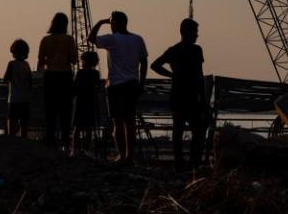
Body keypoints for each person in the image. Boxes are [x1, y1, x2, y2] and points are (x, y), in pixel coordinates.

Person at [89, 11, 148, 163]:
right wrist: (141, 82)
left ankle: (122, 155)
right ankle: (130, 156)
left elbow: (91, 38)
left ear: (114, 23)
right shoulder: (138, 39)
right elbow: (144, 62)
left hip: (115, 85)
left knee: (118, 122)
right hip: (132, 84)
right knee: (130, 122)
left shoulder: (112, 40)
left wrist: (102, 22)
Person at [151, 18, 207, 171]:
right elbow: (199, 76)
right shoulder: (193, 50)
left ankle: (184, 162)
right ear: (185, 32)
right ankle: (189, 162)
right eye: (194, 32)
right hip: (186, 96)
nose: (196, 35)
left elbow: (155, 65)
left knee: (183, 130)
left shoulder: (176, 50)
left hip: (182, 95)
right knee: (191, 130)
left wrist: (172, 75)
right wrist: (203, 98)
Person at [37, 12, 78, 149]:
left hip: (50, 77)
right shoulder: (69, 40)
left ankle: (50, 143)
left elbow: (41, 61)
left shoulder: (45, 40)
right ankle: (66, 144)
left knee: (50, 112)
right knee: (66, 112)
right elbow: (73, 59)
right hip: (65, 76)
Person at [72, 49, 102, 157]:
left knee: (77, 127)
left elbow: (74, 88)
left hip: (80, 101)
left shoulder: (80, 73)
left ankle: (74, 150)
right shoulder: (95, 73)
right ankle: (87, 150)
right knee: (89, 128)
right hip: (91, 102)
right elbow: (98, 87)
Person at [3, 39, 32, 138]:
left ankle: (12, 141)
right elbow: (30, 81)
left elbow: (5, 78)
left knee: (12, 121)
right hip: (25, 99)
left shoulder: (11, 64)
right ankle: (24, 141)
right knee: (24, 124)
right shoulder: (27, 65)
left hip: (14, 99)